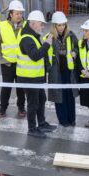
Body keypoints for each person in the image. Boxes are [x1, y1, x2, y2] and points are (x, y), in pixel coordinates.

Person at [17, 10, 57, 138]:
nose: (43, 27)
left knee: (41, 99)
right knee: (33, 103)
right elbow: (35, 56)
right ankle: (32, 128)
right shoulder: (27, 39)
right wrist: (46, 44)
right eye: (41, 24)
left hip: (36, 77)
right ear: (33, 24)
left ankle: (41, 123)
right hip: (29, 78)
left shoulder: (33, 36)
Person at [44, 11, 79, 127]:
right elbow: (44, 55)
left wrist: (75, 52)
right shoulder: (48, 38)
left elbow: (77, 47)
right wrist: (49, 68)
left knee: (69, 95)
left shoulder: (71, 35)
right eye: (59, 25)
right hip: (55, 72)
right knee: (59, 97)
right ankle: (63, 120)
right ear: (54, 26)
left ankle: (72, 119)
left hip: (68, 72)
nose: (62, 27)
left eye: (63, 24)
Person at [0, 0, 26, 119]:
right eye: (17, 13)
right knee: (6, 87)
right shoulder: (2, 26)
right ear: (11, 14)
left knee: (21, 88)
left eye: (21, 13)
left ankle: (21, 108)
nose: (19, 16)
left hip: (21, 63)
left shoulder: (26, 25)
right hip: (7, 63)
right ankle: (3, 108)